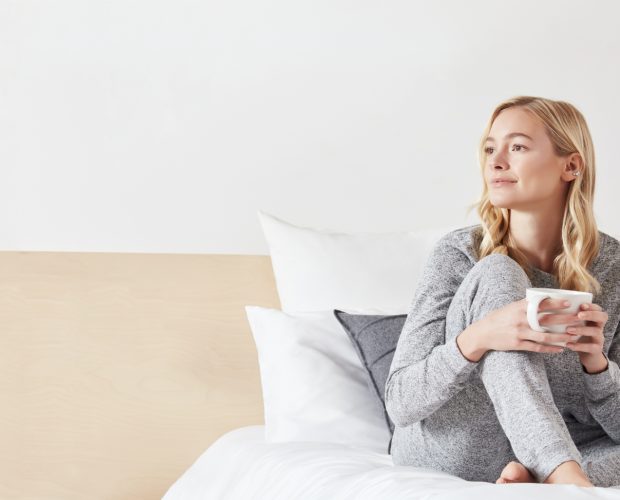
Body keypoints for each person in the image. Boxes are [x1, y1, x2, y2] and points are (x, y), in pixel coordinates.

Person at [384, 95, 620, 488]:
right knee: (497, 272)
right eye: (491, 148)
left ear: (571, 165)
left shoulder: (613, 268)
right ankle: (559, 473)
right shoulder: (459, 255)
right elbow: (401, 402)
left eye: (518, 147)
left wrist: (596, 366)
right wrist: (477, 339)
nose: (495, 161)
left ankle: (538, 477)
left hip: (555, 452)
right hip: (453, 447)